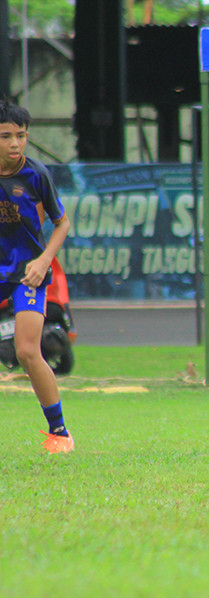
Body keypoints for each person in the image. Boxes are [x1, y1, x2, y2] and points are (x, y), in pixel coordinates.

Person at [0, 100, 74, 453]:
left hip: (28, 271)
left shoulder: (36, 175)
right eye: (6, 136)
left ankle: (59, 432)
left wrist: (44, 260)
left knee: (28, 351)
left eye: (21, 136)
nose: (15, 144)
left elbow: (62, 223)